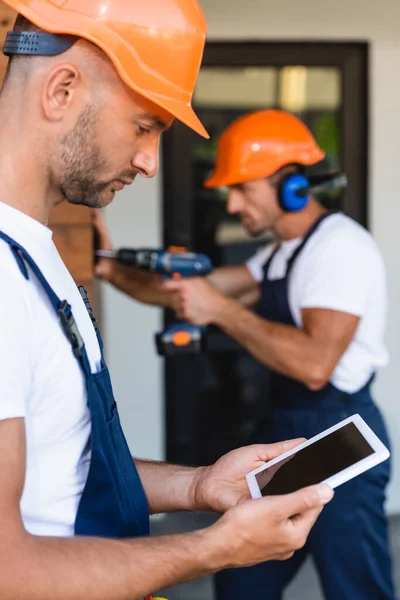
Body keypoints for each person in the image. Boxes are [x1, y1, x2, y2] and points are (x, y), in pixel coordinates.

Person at [0, 2, 335, 598]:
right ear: (62, 90)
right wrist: (215, 548)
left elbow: (71, 467)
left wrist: (201, 485)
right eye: (145, 125)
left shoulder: (38, 256)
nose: (152, 163)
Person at [95, 109, 395, 600]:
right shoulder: (279, 254)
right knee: (243, 580)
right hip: (287, 430)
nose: (232, 206)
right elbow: (188, 294)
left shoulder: (341, 249)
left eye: (243, 190)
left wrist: (221, 311)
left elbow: (315, 366)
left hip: (339, 435)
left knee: (355, 586)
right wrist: (110, 271)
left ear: (291, 186)